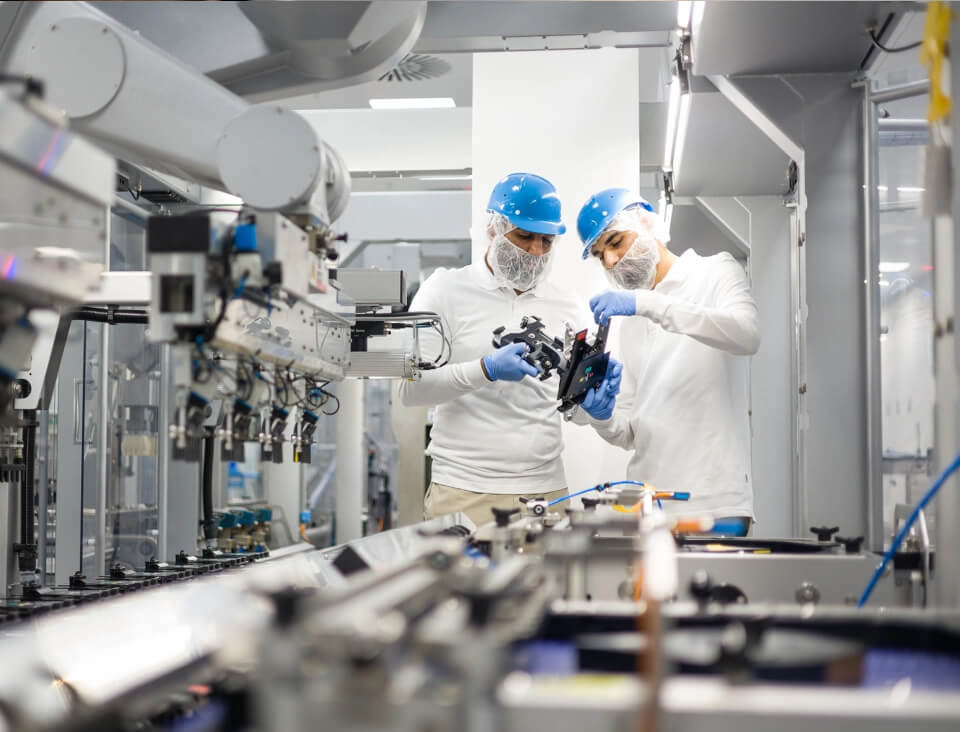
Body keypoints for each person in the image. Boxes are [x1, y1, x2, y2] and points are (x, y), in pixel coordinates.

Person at [398, 172, 618, 528]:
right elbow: (409, 388)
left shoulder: (568, 306)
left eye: (546, 241)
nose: (535, 251)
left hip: (545, 492)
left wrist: (594, 409)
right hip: (462, 489)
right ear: (493, 230)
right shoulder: (444, 291)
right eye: (524, 237)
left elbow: (570, 407)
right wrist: (484, 369)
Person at [574, 187, 760, 535]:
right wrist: (602, 417)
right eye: (600, 255)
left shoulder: (715, 271)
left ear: (647, 226)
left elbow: (747, 335)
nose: (610, 261)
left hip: (715, 503)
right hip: (649, 504)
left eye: (615, 242)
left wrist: (648, 304)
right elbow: (629, 431)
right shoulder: (629, 318)